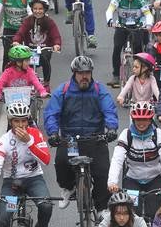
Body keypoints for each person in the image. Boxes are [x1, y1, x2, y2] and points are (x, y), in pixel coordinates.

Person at [44, 55, 118, 212]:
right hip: (71, 140)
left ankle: (101, 208)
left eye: (87, 73)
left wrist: (111, 128)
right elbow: (52, 113)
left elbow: (109, 110)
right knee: (62, 162)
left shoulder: (99, 90)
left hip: (95, 139)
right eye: (80, 73)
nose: (84, 76)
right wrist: (52, 133)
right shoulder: (63, 91)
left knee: (103, 172)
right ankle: (68, 187)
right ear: (74, 73)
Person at [107, 101, 161, 224]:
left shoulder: (158, 134)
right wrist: (112, 181)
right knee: (134, 214)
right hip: (132, 179)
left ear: (151, 119)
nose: (141, 123)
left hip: (154, 178)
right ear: (133, 119)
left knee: (153, 213)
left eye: (145, 119)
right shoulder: (126, 134)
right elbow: (117, 159)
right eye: (138, 119)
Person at [106, 0, 154, 87]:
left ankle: (140, 73)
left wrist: (148, 24)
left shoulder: (140, 0)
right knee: (117, 48)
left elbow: (148, 15)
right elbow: (109, 10)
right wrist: (110, 20)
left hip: (136, 27)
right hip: (122, 26)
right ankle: (116, 76)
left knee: (138, 49)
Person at [12, 0, 61, 90]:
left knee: (45, 60)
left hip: (44, 49)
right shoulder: (28, 21)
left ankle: (46, 83)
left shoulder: (49, 22)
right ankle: (24, 81)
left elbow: (56, 35)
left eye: (40, 9)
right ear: (32, 9)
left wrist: (56, 44)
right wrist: (16, 41)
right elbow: (20, 32)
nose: (37, 11)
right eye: (35, 9)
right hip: (29, 49)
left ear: (45, 9)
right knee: (22, 63)